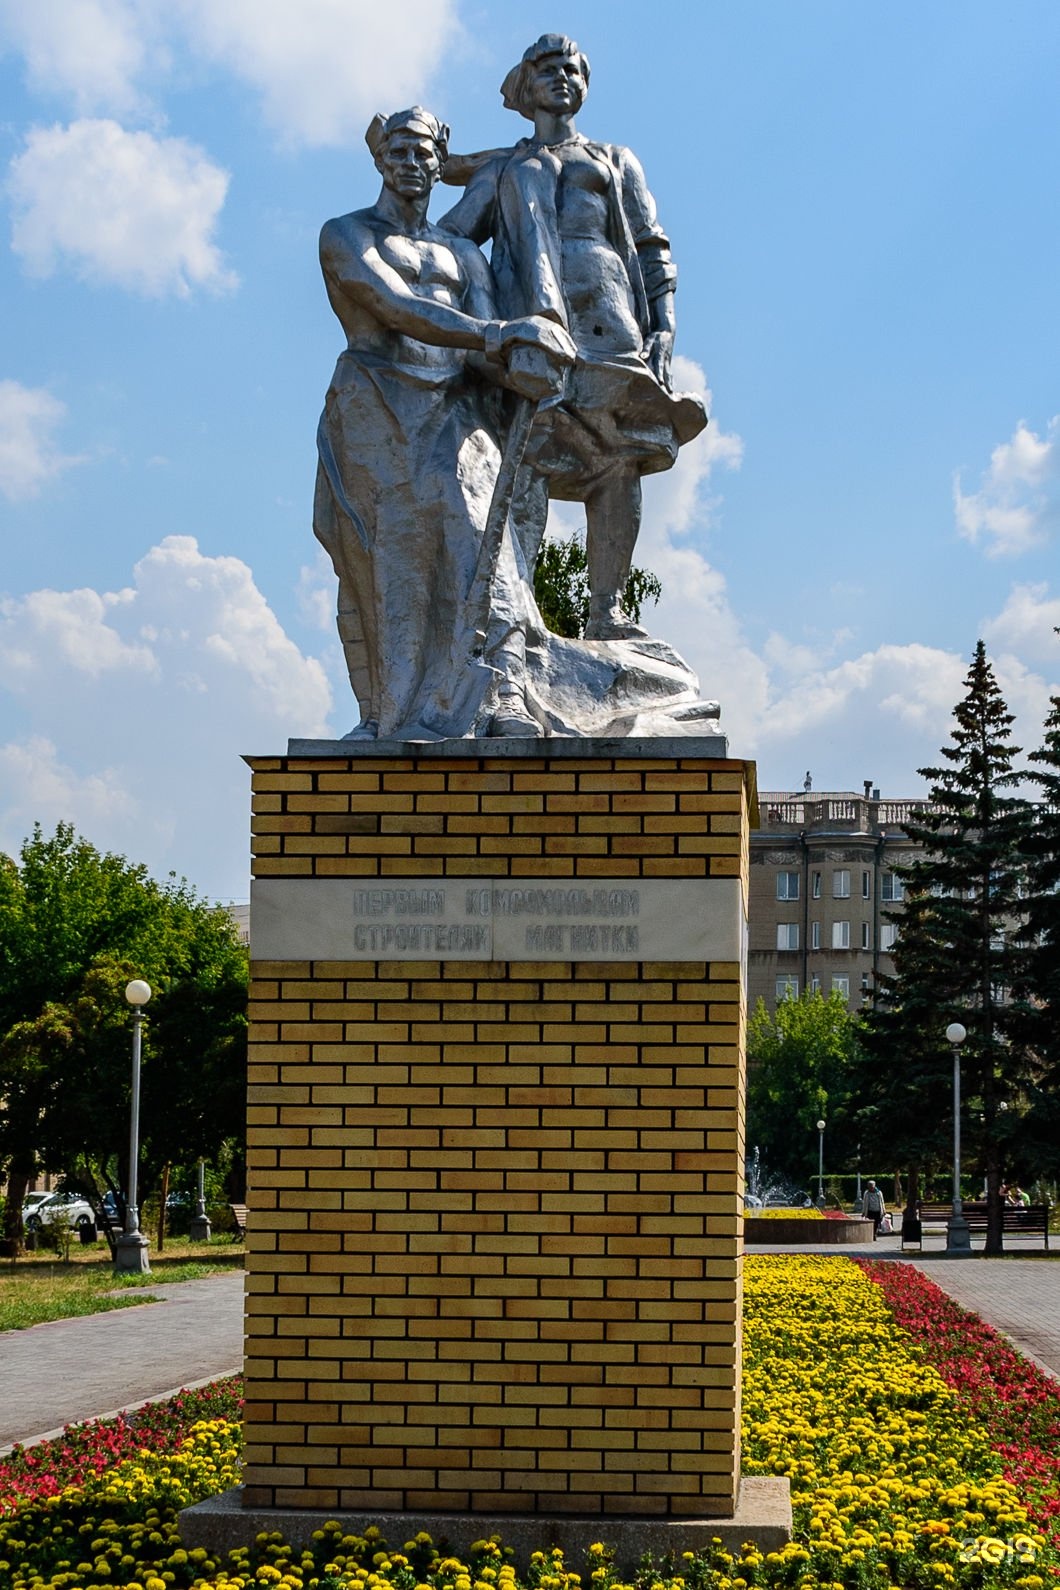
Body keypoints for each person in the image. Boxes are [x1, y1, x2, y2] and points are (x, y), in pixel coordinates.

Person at [312, 106, 574, 738]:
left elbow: (488, 357)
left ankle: (502, 692)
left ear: (440, 161)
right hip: (377, 406)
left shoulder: (464, 254)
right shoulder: (345, 234)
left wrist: (528, 370)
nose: (412, 163)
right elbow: (395, 307)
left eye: (424, 152)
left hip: (456, 415)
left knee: (482, 542)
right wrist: (500, 334)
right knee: (387, 559)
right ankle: (384, 713)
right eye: (399, 150)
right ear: (379, 158)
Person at [440, 34, 707, 640]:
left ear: (584, 84)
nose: (561, 77)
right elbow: (454, 238)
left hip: (611, 320)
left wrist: (663, 327)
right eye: (547, 69)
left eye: (571, 68)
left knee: (620, 462)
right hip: (534, 325)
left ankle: (606, 609)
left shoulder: (613, 159)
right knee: (527, 454)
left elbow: (650, 246)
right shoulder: (507, 168)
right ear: (526, 85)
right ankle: (517, 611)